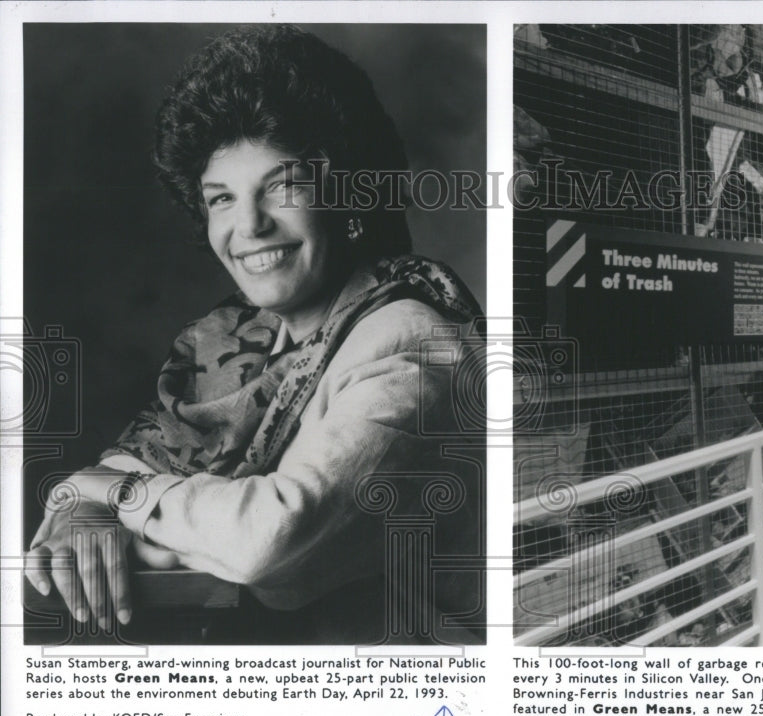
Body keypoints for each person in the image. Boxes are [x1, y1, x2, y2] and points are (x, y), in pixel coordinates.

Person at [24, 25, 484, 644]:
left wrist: (119, 496)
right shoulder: (232, 343)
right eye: (220, 198)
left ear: (346, 194)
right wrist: (84, 506)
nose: (250, 226)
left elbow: (268, 541)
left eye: (283, 185)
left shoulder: (412, 343)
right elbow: (126, 473)